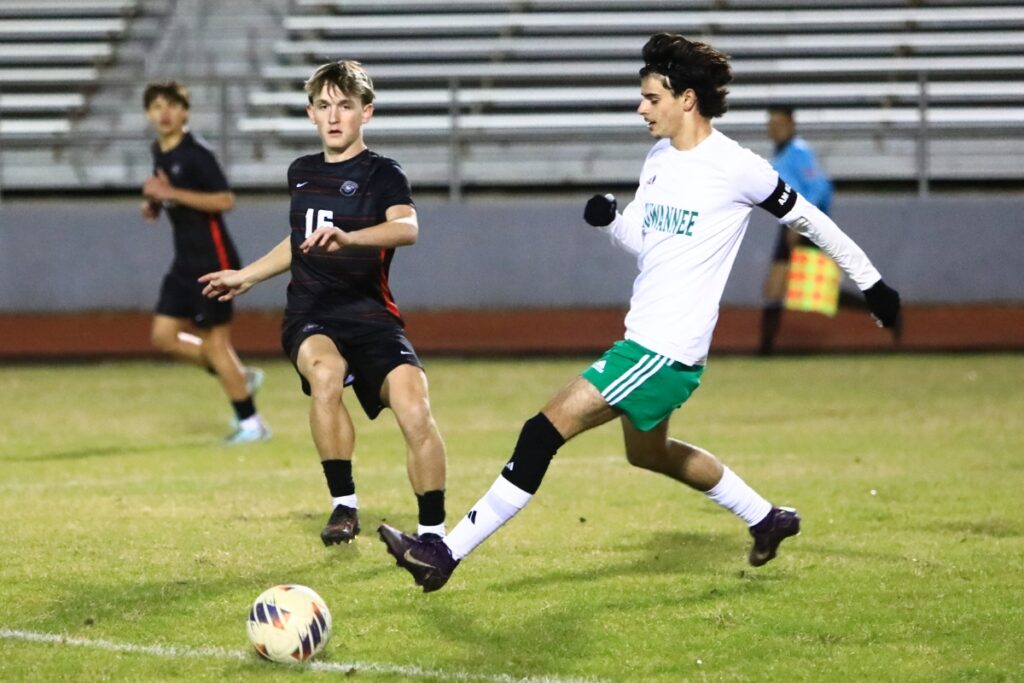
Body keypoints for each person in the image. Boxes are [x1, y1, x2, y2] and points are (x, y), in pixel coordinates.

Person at [377, 33, 901, 593]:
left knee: (540, 432)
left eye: (652, 98)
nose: (641, 108)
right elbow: (646, 241)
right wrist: (611, 222)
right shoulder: (658, 158)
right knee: (649, 454)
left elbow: (809, 220)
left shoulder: (737, 167)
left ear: (687, 100)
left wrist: (870, 282)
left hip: (663, 350)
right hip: (649, 341)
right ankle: (768, 517)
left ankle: (444, 554)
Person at [199, 61, 448, 546]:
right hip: (311, 314)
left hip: (372, 315)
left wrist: (349, 238)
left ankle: (434, 536)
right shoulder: (302, 172)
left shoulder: (383, 173)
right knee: (326, 376)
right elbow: (297, 242)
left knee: (416, 411)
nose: (334, 116)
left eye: (346, 106)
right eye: (324, 105)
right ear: (311, 114)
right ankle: (344, 506)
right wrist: (245, 276)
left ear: (366, 113)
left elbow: (407, 228)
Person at [140, 80, 269, 445]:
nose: (163, 112)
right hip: (185, 261)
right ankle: (239, 376)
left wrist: (170, 193)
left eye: (171, 105)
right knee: (163, 336)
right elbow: (171, 196)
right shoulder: (160, 150)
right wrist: (155, 204)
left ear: (185, 111)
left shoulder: (197, 153)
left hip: (214, 259)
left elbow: (225, 200)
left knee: (216, 344)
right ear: (149, 114)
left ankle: (251, 424)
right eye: (156, 106)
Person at [759, 106, 836, 355]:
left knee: (809, 288)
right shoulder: (781, 154)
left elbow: (820, 186)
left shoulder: (798, 151)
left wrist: (802, 220)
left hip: (804, 224)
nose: (774, 129)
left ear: (792, 125)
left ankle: (765, 351)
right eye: (772, 124)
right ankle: (765, 350)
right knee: (778, 288)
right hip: (793, 223)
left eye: (779, 124)